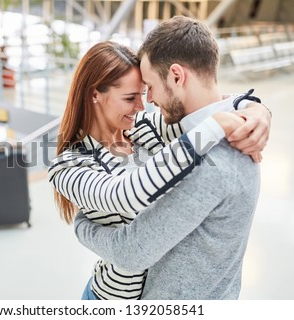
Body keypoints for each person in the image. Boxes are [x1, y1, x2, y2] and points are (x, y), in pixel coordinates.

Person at [49, 40, 269, 299]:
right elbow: (124, 194)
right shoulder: (69, 165)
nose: (142, 107)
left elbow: (207, 111)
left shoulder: (144, 127)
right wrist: (215, 125)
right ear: (95, 94)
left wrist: (256, 110)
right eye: (130, 98)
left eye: (142, 94)